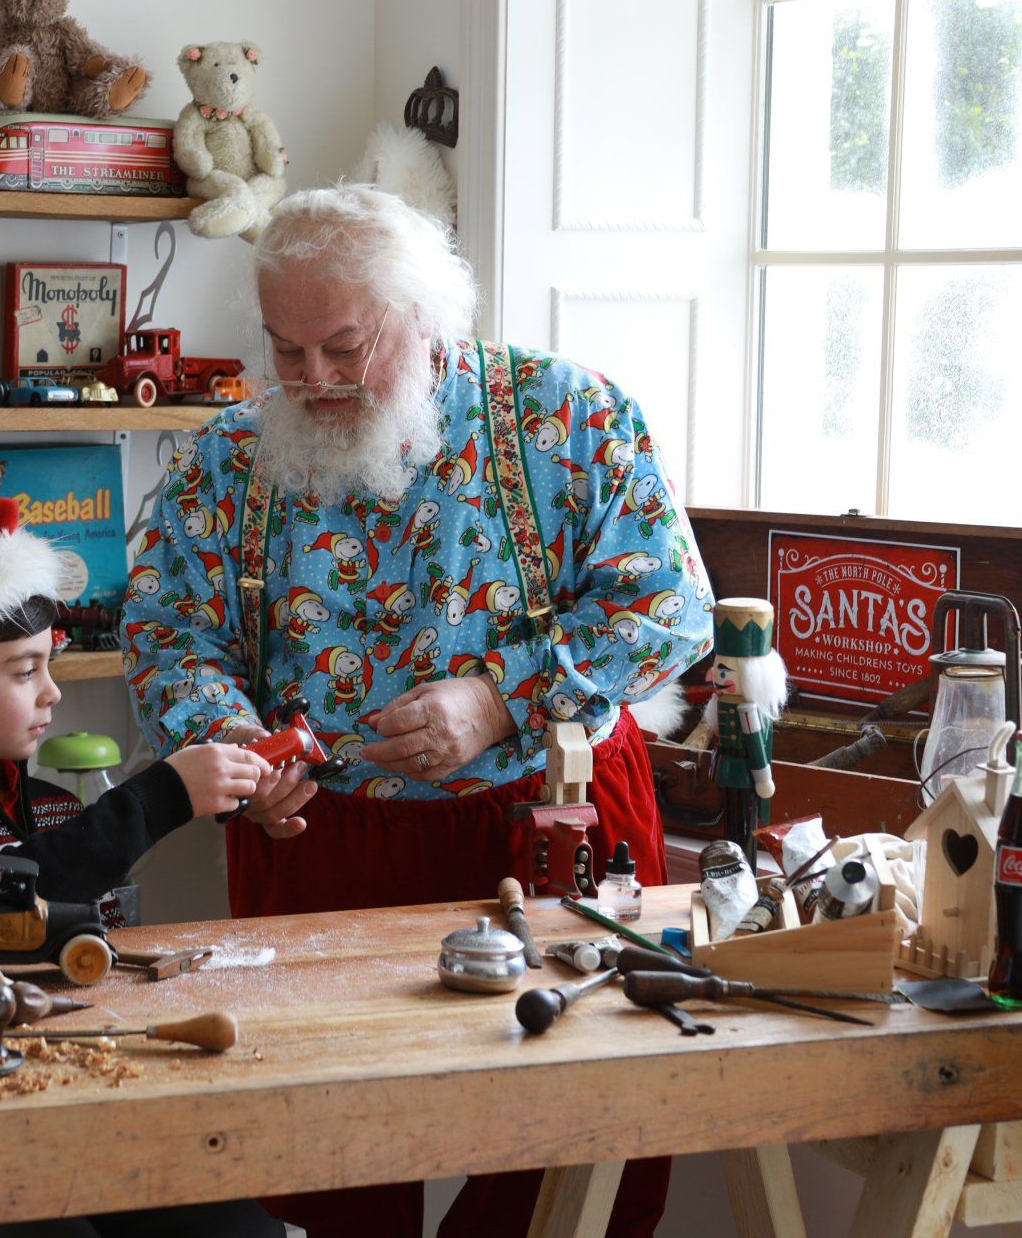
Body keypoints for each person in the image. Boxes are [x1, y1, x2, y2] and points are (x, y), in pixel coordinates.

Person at [121, 185, 716, 1238]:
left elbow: (670, 607)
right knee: (319, 1156)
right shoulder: (228, 454)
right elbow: (170, 631)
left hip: (550, 827)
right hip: (322, 844)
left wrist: (502, 701)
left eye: (347, 346)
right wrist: (240, 752)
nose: (315, 379)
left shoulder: (569, 416)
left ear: (429, 317)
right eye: (287, 350)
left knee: (579, 1146)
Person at [0, 499, 282, 1238]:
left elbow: (88, 941)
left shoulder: (53, 806)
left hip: (85, 1099)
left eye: (51, 664)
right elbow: (7, 888)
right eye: (23, 671)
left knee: (238, 1228)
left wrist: (239, 789)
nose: (52, 692)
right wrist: (162, 795)